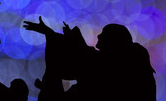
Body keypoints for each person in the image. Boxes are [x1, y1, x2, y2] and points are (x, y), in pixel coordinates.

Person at [23, 17, 156, 101]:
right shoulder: (126, 58)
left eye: (104, 34)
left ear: (114, 41)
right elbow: (88, 57)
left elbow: (89, 59)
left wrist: (52, 34)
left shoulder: (117, 63)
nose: (99, 36)